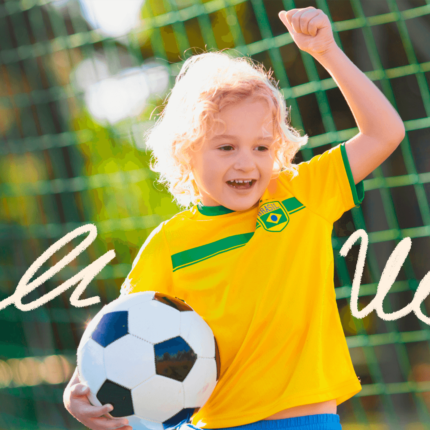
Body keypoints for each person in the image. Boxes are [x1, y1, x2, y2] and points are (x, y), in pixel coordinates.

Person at [63, 6, 405, 430]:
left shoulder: (301, 194)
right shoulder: (170, 244)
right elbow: (117, 332)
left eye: (261, 148)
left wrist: (327, 51)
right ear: (186, 153)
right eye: (226, 147)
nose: (247, 163)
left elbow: (384, 133)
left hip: (304, 421)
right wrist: (79, 388)